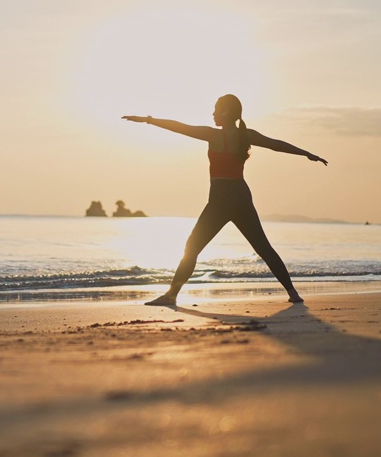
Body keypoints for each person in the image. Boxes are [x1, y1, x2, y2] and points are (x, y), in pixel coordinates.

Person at [123, 95, 327, 305]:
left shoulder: (212, 135)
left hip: (220, 198)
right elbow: (275, 144)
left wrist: (148, 120)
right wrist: (306, 154)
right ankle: (293, 294)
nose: (212, 113)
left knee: (192, 248)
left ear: (226, 112)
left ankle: (171, 296)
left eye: (216, 109)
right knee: (263, 247)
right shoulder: (245, 135)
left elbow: (179, 127)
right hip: (241, 196)